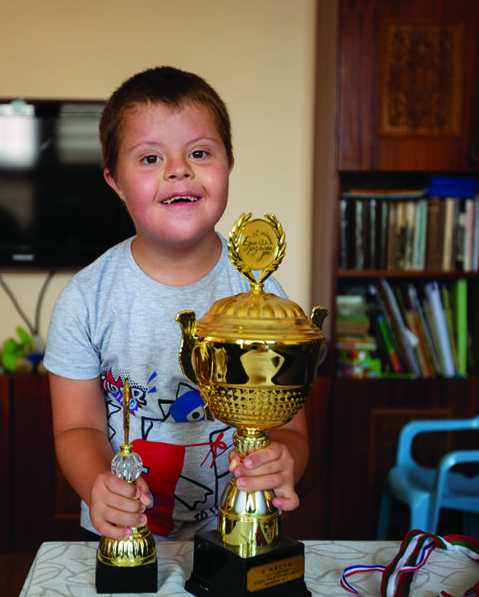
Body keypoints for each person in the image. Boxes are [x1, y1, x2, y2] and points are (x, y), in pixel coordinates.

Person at [43, 66, 310, 542]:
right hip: (124, 535)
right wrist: (97, 485)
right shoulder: (85, 300)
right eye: (149, 158)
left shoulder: (265, 301)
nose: (178, 169)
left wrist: (284, 458)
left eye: (200, 152)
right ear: (114, 181)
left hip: (238, 534)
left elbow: (290, 430)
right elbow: (76, 428)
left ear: (228, 164)